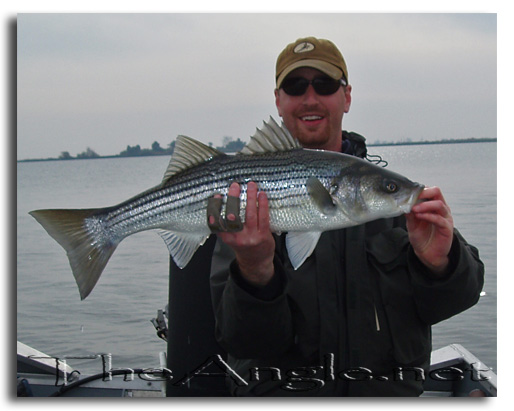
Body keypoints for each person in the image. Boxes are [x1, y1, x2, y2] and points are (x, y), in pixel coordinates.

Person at [209, 36, 484, 396]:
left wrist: (440, 265)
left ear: (347, 96)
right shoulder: (243, 211)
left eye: (324, 85)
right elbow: (243, 342)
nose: (310, 98)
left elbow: (454, 300)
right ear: (278, 100)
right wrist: (255, 271)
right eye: (295, 86)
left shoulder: (394, 201)